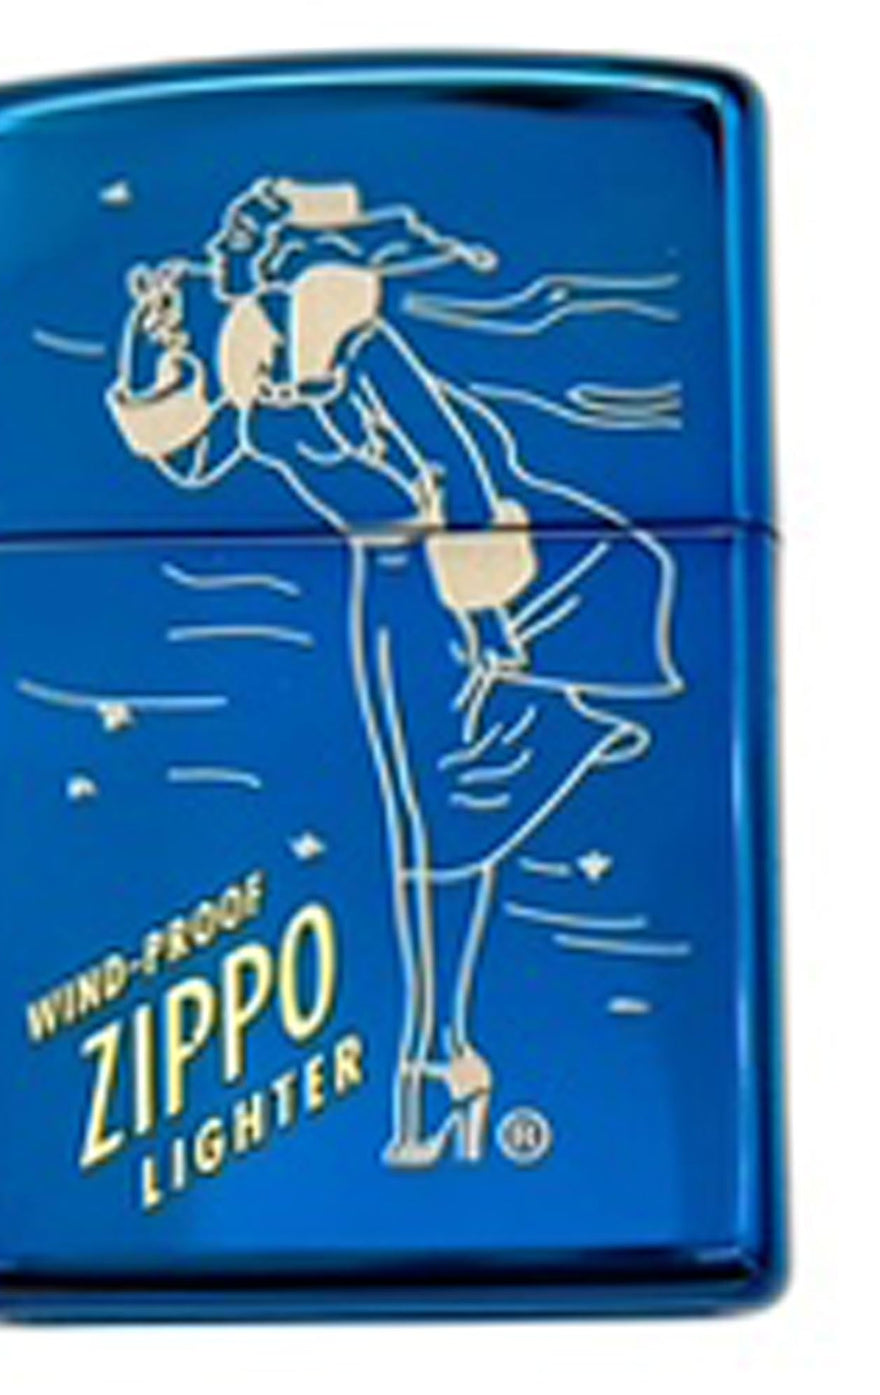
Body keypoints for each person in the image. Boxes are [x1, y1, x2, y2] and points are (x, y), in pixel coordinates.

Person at [106, 177, 683, 1166]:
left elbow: (460, 469)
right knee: (427, 827)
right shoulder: (250, 378)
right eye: (225, 271)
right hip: (385, 598)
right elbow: (181, 456)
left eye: (245, 261)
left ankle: (436, 1053)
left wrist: (491, 613)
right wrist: (149, 343)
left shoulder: (358, 346)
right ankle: (442, 1053)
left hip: (460, 587)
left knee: (443, 823)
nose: (229, 278)